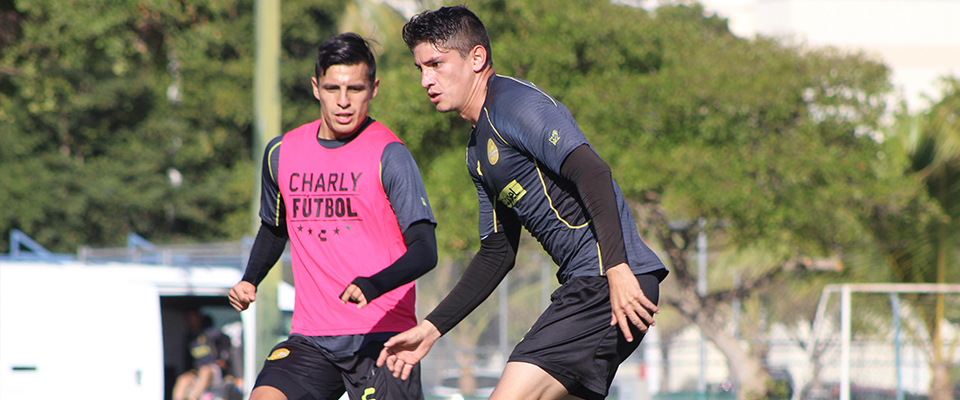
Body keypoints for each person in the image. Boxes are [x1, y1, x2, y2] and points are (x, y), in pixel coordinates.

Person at [377, 6, 669, 400]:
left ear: (476, 58)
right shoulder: (476, 151)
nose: (427, 79)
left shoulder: (513, 104)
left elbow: (593, 172)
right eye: (420, 68)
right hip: (595, 285)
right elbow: (497, 252)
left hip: (606, 283)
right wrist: (431, 328)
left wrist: (616, 268)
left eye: (436, 64)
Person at [228, 32, 438, 400]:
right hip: (312, 339)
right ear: (316, 88)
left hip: (384, 338)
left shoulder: (390, 154)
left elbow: (425, 250)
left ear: (373, 89)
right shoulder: (282, 152)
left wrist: (374, 285)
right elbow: (275, 228)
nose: (343, 102)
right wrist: (251, 279)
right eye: (332, 88)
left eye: (355, 89)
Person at [173, 311, 229, 400]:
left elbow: (225, 340)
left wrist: (223, 360)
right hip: (197, 371)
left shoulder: (210, 333)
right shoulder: (190, 338)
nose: (191, 322)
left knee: (205, 370)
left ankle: (194, 398)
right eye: (189, 320)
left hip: (213, 369)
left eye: (193, 319)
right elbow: (187, 359)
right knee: (183, 379)